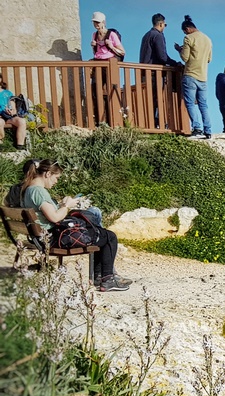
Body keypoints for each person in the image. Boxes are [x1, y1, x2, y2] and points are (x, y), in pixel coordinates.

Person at [19, 160, 130, 292]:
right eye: (56, 178)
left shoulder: (29, 189)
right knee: (109, 236)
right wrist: (67, 206)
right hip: (53, 238)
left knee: (99, 230)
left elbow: (47, 214)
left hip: (44, 236)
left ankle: (101, 276)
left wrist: (61, 205)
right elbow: (54, 218)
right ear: (48, 174)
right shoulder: (38, 191)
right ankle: (107, 279)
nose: (56, 182)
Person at [174, 15, 213, 139]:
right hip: (203, 76)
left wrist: (179, 50)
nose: (185, 33)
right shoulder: (208, 39)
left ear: (187, 29)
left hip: (190, 74)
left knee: (190, 103)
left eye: (184, 31)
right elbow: (209, 59)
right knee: (203, 104)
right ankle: (208, 129)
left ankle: (197, 127)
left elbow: (185, 57)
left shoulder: (188, 38)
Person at [0, 77, 28, 151]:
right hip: (0, 117)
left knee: (21, 121)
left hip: (9, 115)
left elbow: (13, 106)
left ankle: (20, 146)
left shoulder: (7, 93)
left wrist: (12, 111)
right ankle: (1, 144)